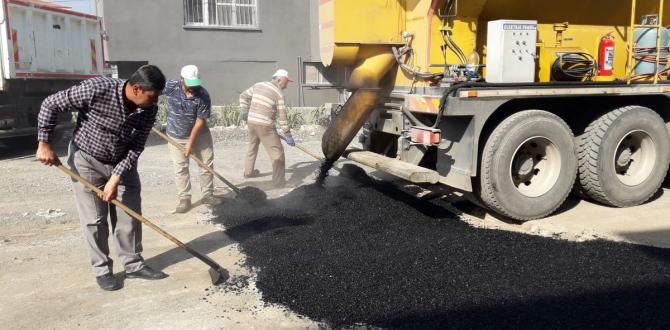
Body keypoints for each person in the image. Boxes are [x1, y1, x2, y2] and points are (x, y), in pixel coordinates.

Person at [35, 65, 168, 291]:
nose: (155, 102)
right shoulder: (97, 89)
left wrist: (115, 177)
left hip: (122, 163)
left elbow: (136, 147)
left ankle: (134, 265)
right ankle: (102, 269)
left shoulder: (148, 110)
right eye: (151, 96)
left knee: (130, 215)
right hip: (87, 159)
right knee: (95, 220)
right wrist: (44, 143)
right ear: (136, 89)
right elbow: (50, 104)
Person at [162, 65, 218, 213]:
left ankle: (208, 194)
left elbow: (200, 122)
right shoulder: (171, 86)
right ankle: (184, 199)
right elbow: (152, 92)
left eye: (196, 84)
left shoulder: (203, 95)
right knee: (180, 168)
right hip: (176, 135)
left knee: (206, 164)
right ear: (181, 79)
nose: (194, 88)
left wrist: (190, 144)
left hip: (200, 136)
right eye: (190, 84)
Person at [239, 69, 296, 188]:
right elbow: (282, 116)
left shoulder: (258, 85)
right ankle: (279, 182)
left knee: (252, 147)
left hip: (252, 123)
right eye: (286, 82)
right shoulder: (279, 94)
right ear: (279, 79)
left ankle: (248, 173)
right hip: (265, 126)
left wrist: (245, 112)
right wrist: (288, 134)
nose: (287, 85)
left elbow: (243, 96)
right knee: (278, 154)